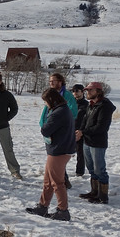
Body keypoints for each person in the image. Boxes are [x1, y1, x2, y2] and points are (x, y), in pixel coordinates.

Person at [25, 88, 77, 221]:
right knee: (48, 181)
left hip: (59, 151)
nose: (45, 105)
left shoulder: (58, 113)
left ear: (52, 100)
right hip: (59, 149)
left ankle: (63, 211)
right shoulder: (63, 109)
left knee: (57, 182)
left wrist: (46, 122)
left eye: (46, 102)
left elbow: (45, 130)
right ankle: (42, 206)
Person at [76, 81, 116, 204]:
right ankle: (94, 192)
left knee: (100, 170)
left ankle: (103, 197)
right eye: (87, 90)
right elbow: (85, 120)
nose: (87, 92)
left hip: (98, 143)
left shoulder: (104, 106)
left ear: (98, 91)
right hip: (87, 141)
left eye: (90, 90)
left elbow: (101, 127)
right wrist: (80, 130)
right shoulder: (91, 104)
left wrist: (83, 132)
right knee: (92, 169)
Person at [39, 72, 78, 187]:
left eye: (53, 81)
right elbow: (45, 112)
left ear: (60, 82)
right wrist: (43, 124)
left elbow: (73, 112)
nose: (51, 83)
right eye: (50, 81)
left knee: (58, 158)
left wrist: (56, 123)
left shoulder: (67, 95)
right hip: (49, 131)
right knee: (52, 157)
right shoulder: (49, 95)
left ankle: (63, 181)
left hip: (60, 131)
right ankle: (57, 179)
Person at [71, 84, 88, 176]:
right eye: (73, 91)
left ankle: (79, 172)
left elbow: (88, 120)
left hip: (80, 132)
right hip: (69, 131)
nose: (75, 93)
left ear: (82, 91)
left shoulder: (86, 105)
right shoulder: (70, 103)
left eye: (77, 90)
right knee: (64, 153)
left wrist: (81, 131)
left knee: (81, 154)